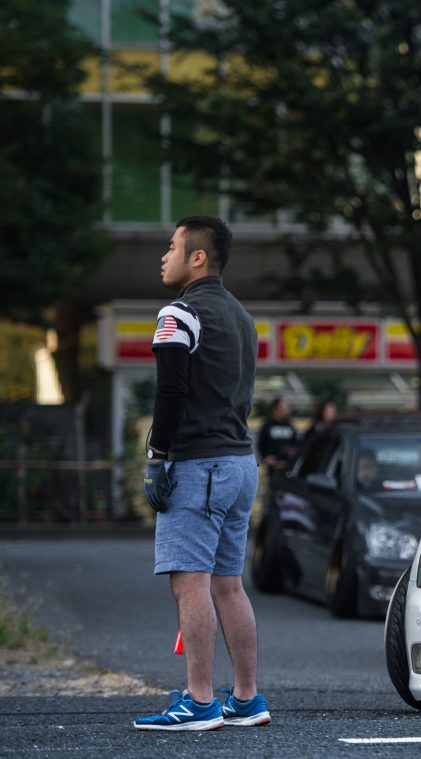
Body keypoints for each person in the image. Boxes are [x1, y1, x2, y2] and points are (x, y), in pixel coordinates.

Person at [135, 216, 270, 730]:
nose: (163, 257)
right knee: (228, 585)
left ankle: (197, 700)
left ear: (197, 257)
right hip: (240, 463)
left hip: (197, 464)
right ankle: (247, 699)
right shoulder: (241, 316)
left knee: (190, 584)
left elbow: (170, 392)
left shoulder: (180, 313)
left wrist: (157, 456)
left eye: (171, 247)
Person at [258, 397, 298, 474]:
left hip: (286, 465)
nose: (286, 410)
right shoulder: (267, 425)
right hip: (271, 466)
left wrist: (289, 455)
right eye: (283, 407)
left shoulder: (290, 425)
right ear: (275, 409)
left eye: (287, 407)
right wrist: (266, 457)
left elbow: (294, 444)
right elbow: (261, 444)